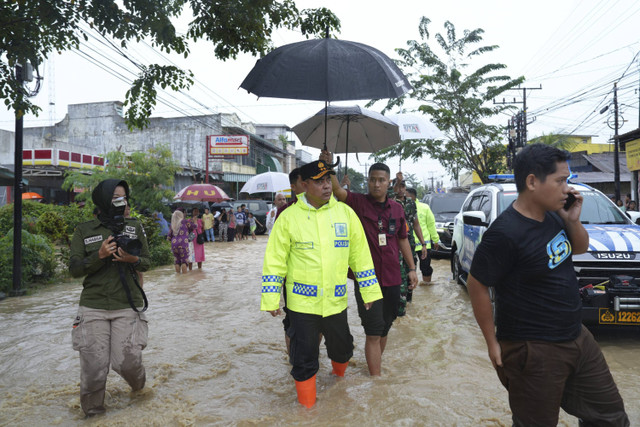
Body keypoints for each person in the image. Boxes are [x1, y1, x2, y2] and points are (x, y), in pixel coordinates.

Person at [467, 143, 629, 426]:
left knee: (611, 417)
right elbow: (477, 284)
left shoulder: (555, 214)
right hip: (534, 349)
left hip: (577, 336)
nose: (567, 188)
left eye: (567, 180)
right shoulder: (504, 233)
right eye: (560, 180)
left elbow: (578, 248)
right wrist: (491, 343)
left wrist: (572, 220)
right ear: (532, 181)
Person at [261, 160, 383, 408]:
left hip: (335, 302)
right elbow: (275, 262)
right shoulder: (289, 218)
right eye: (319, 181)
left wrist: (369, 291)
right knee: (304, 359)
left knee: (343, 350)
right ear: (304, 185)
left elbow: (360, 257)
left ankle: (338, 382)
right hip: (302, 305)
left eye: (329, 180)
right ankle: (308, 413)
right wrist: (272, 298)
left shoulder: (346, 214)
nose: (327, 186)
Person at [320, 150, 418, 376]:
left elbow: (403, 238)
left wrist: (412, 269)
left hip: (394, 277)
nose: (376, 184)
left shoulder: (397, 208)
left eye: (381, 180)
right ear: (368, 181)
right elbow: (336, 191)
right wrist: (327, 166)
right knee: (373, 332)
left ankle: (376, 368)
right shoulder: (357, 202)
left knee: (385, 328)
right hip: (367, 279)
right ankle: (376, 381)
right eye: (372, 180)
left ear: (389, 183)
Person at [69, 179, 150, 417]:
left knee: (127, 362)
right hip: (93, 306)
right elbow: (74, 269)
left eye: (124, 196)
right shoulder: (84, 230)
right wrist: (100, 255)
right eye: (115, 196)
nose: (121, 201)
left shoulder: (134, 226)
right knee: (94, 368)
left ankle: (140, 390)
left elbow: (147, 260)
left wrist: (132, 260)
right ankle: (94, 415)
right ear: (103, 199)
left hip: (127, 304)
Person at [392, 174, 427, 315]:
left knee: (411, 274)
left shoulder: (411, 204)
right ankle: (399, 311)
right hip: (394, 244)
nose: (400, 189)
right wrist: (397, 181)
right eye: (398, 186)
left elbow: (416, 224)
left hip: (410, 244)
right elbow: (389, 192)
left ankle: (408, 304)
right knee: (399, 277)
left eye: (403, 186)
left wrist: (423, 244)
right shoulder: (390, 201)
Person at [406, 188, 440, 284]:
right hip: (408, 245)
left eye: (406, 195)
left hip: (424, 245)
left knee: (425, 268)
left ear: (412, 196)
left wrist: (436, 240)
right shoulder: (402, 207)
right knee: (409, 268)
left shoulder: (424, 207)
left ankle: (427, 286)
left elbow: (431, 224)